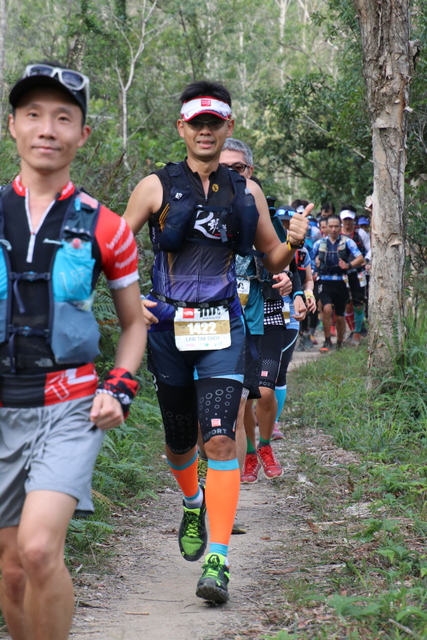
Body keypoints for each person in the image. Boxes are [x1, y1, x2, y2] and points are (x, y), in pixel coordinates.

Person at [124, 81, 311, 603]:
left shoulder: (246, 192)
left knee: (221, 439)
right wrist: (130, 299)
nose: (205, 131)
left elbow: (272, 257)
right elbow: (114, 243)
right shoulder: (155, 186)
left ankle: (219, 561)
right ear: (182, 128)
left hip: (223, 326)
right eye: (196, 123)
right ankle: (192, 503)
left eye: (214, 123)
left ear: (228, 126)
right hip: (167, 326)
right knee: (179, 440)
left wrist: (292, 241)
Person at [0, 63, 146, 640]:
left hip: (69, 405)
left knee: (38, 550)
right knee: (12, 569)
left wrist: (120, 384)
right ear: (13, 125)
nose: (47, 128)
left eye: (63, 118)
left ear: (82, 134)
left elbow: (133, 325)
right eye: (33, 114)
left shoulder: (106, 227)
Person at [313, 215, 364, 350]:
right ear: (326, 228)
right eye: (331, 226)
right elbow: (309, 259)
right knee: (326, 309)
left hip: (341, 281)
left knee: (340, 316)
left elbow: (360, 258)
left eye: (336, 226)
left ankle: (340, 343)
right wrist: (315, 266)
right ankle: (327, 341)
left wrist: (348, 265)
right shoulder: (319, 243)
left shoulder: (347, 242)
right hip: (324, 281)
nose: (334, 229)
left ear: (340, 227)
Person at [340, 206, 370, 345]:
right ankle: (352, 330)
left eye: (350, 219)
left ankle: (357, 332)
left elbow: (370, 249)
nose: (347, 222)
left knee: (358, 303)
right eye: (345, 219)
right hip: (342, 274)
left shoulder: (360, 233)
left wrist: (367, 260)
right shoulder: (337, 233)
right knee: (347, 304)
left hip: (358, 272)